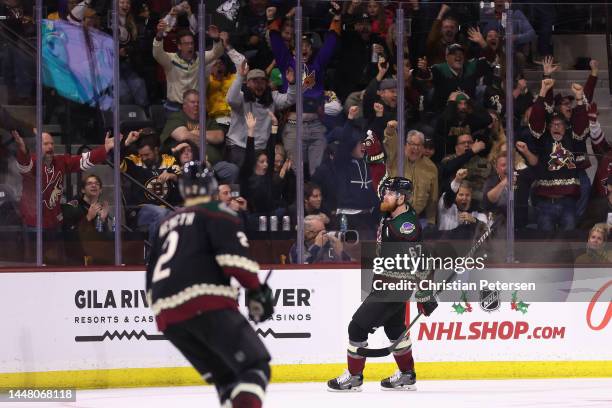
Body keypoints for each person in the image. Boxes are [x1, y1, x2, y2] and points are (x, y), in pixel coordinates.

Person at [146, 161, 274, 408]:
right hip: (204, 302)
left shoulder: (165, 223)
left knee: (227, 377)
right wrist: (257, 290)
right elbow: (237, 262)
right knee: (254, 366)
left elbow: (150, 278)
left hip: (167, 317)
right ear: (212, 188)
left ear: (183, 190)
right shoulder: (218, 213)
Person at [327, 177, 437, 392]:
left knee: (357, 327)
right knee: (395, 329)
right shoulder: (391, 215)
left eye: (389, 193)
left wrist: (424, 294)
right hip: (387, 285)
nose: (383, 196)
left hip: (392, 288)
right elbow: (379, 177)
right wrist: (375, 154)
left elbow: (422, 259)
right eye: (385, 192)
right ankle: (406, 375)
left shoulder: (405, 227)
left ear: (401, 198)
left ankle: (354, 377)